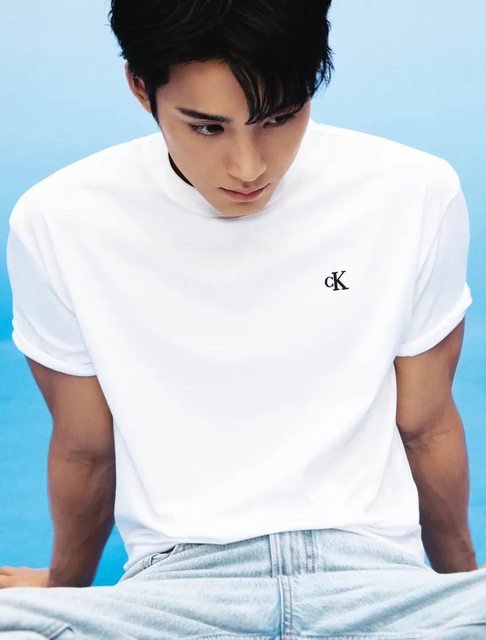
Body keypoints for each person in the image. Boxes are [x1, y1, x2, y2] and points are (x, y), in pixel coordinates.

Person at [1, 0, 485, 638]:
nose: (249, 167)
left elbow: (426, 423)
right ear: (140, 88)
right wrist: (65, 594)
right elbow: (86, 448)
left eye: (280, 117)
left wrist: (462, 591)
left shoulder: (413, 191)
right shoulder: (59, 219)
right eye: (207, 127)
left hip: (377, 584)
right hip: (177, 596)